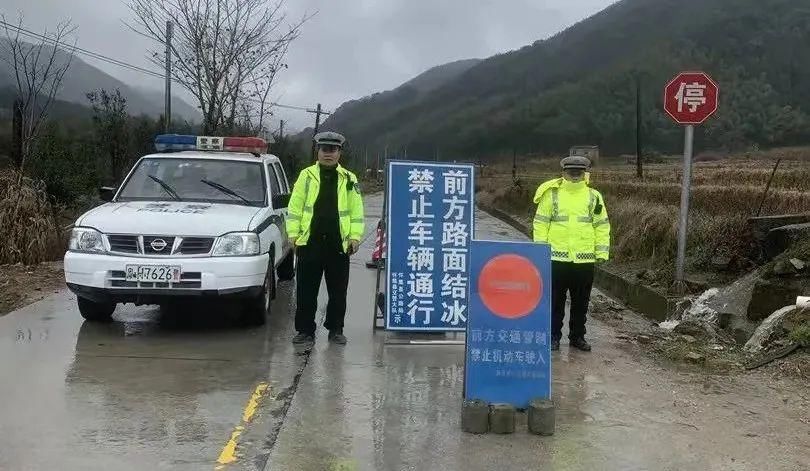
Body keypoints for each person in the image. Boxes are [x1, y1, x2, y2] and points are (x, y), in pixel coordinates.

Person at [286, 131, 365, 345]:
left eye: (333, 150)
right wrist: (293, 235)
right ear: (318, 151)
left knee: (338, 292)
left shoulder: (349, 178)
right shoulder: (306, 175)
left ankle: (336, 329)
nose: (328, 154)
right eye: (324, 150)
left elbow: (357, 211)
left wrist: (355, 237)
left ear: (339, 152)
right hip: (310, 243)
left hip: (338, 244)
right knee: (306, 291)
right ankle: (305, 330)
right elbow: (295, 207)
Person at [532, 156, 610, 352]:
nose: (575, 175)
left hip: (584, 260)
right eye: (571, 171)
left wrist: (601, 251)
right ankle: (553, 337)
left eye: (578, 171)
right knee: (555, 302)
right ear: (563, 172)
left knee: (581, 302)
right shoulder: (551, 195)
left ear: (584, 173)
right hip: (556, 258)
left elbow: (601, 225)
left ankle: (577, 336)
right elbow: (540, 223)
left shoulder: (594, 196)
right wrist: (540, 250)